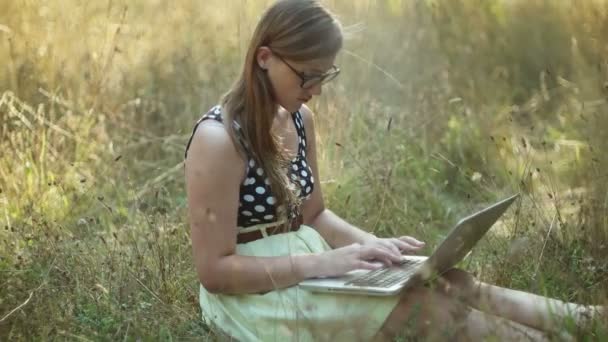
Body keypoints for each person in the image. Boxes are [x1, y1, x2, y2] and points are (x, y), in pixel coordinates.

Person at [184, 0, 604, 340]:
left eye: (324, 76)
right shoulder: (218, 140)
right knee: (422, 310)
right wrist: (325, 265)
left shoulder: (297, 118)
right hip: (251, 297)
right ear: (264, 58)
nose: (314, 92)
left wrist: (377, 249)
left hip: (307, 264)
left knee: (448, 282)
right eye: (306, 77)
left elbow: (314, 216)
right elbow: (216, 272)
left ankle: (583, 319)